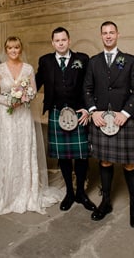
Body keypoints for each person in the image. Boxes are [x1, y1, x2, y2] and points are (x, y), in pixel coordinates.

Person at [0, 36, 62, 215]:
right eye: (10, 48)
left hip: (23, 115)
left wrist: (23, 98)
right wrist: (8, 101)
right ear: (6, 50)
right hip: (6, 116)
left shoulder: (28, 69)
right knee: (9, 148)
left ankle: (27, 191)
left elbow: (34, 91)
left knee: (24, 148)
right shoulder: (0, 69)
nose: (14, 51)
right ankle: (9, 193)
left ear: (21, 49)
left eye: (17, 47)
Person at [83, 21, 134, 228]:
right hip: (101, 120)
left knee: (130, 164)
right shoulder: (94, 62)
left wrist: (126, 113)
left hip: (123, 119)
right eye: (105, 33)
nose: (108, 36)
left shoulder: (129, 61)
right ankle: (106, 202)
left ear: (118, 34)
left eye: (112, 32)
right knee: (105, 162)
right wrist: (93, 112)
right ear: (101, 36)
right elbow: (87, 89)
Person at [35, 27, 97, 211]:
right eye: (57, 40)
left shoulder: (82, 59)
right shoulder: (45, 61)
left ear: (69, 41)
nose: (61, 43)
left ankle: (81, 193)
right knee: (63, 156)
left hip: (79, 112)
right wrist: (18, 91)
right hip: (57, 112)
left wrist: (88, 109)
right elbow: (35, 83)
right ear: (52, 43)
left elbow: (89, 85)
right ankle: (69, 192)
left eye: (64, 40)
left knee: (81, 155)